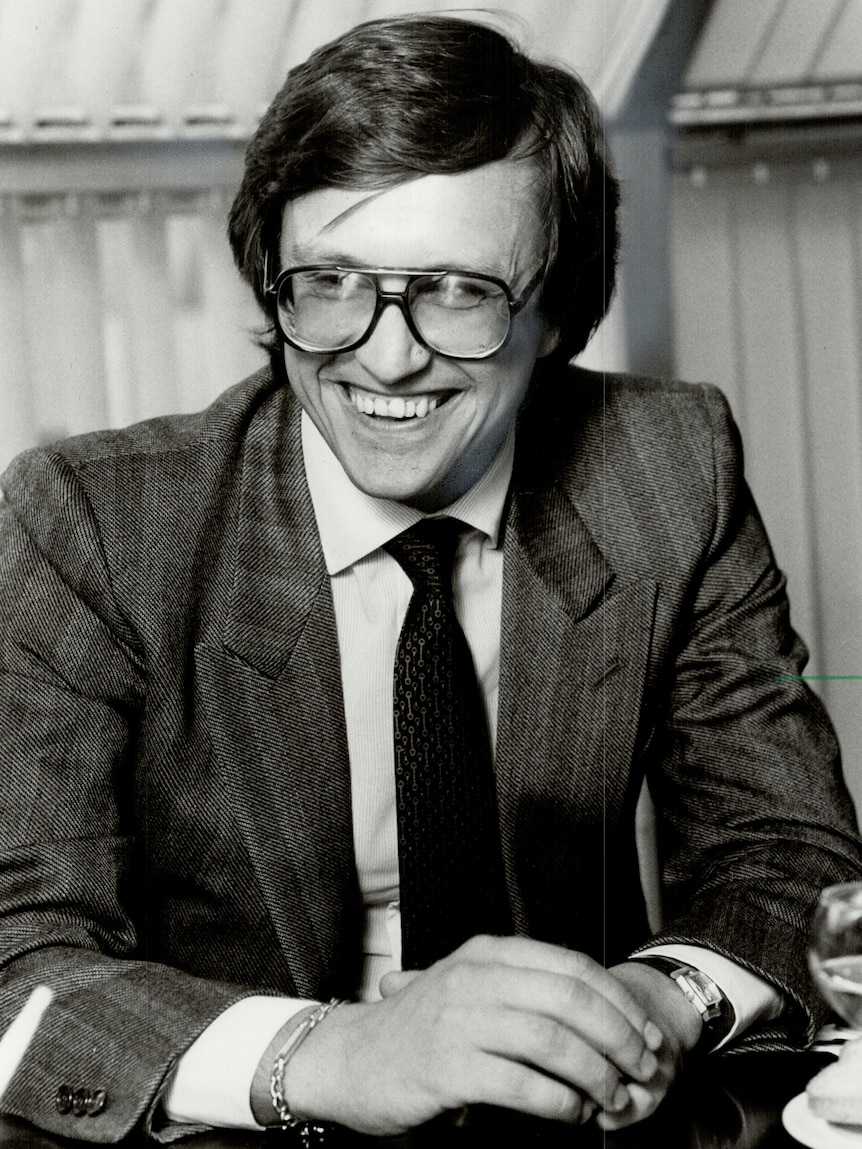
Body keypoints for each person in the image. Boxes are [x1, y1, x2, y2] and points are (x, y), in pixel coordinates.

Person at [1, 12, 861, 1144]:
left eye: (458, 290)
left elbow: (788, 854)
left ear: (555, 308)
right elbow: (21, 961)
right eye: (331, 281)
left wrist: (657, 1006)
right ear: (272, 282)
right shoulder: (94, 520)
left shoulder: (666, 467)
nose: (386, 353)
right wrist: (333, 1053)